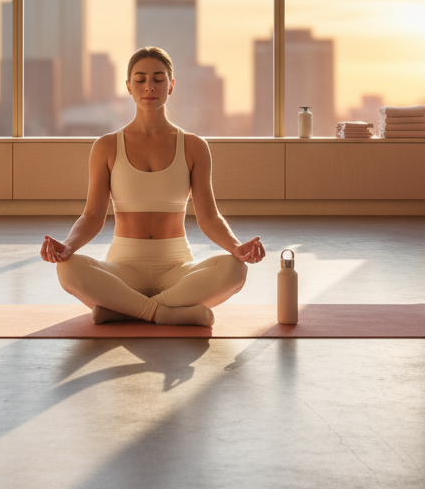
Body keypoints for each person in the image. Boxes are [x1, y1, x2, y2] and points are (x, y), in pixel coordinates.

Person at [41, 46, 265, 327]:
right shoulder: (106, 146)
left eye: (159, 79)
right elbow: (92, 216)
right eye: (140, 79)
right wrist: (68, 246)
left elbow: (209, 217)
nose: (149, 86)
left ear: (171, 86)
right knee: (68, 270)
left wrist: (237, 248)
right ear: (128, 87)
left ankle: (123, 310)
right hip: (123, 268)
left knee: (235, 270)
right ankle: (167, 313)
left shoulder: (195, 147)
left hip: (177, 269)